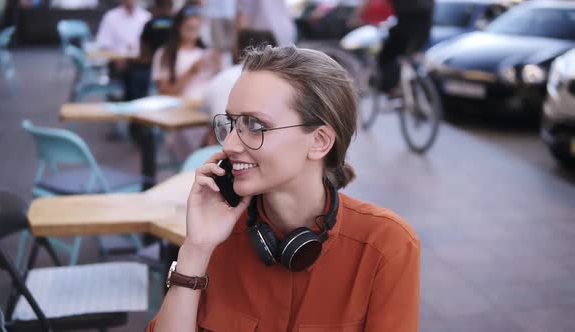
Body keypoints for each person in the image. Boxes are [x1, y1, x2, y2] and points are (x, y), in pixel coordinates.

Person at [147, 45, 420, 331]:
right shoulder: (218, 233)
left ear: (319, 142)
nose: (229, 144)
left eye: (255, 125)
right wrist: (195, 250)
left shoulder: (385, 245)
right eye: (231, 123)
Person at [152, 4, 219, 161]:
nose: (193, 33)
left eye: (196, 28)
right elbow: (164, 92)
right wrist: (190, 73)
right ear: (178, 27)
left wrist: (218, 69)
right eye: (189, 28)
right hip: (183, 115)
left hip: (207, 112)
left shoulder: (207, 53)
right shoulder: (165, 54)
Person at [203, 29, 277, 144]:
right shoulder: (277, 79)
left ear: (237, 49)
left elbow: (209, 112)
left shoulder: (221, 77)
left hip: (220, 144)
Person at [377, 0, 434, 94]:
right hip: (424, 32)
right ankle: (408, 83)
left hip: (405, 32)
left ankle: (391, 89)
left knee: (385, 57)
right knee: (412, 59)